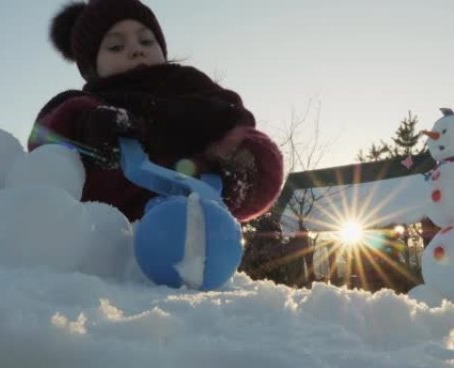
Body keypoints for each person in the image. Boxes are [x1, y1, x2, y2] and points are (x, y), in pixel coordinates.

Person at [29, 0, 284, 223]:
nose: (136, 49)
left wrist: (242, 165)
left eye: (146, 40)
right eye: (116, 46)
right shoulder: (86, 103)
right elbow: (45, 142)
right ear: (92, 68)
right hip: (105, 238)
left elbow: (246, 136)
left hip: (194, 230)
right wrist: (88, 126)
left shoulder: (200, 95)